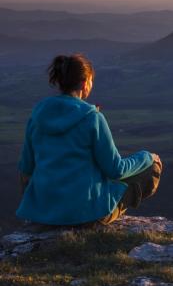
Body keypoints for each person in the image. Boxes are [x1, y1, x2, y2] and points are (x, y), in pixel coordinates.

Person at [16, 53, 162, 227]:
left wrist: (36, 208)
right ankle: (101, 211)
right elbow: (116, 170)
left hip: (44, 215)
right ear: (85, 82)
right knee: (152, 168)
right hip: (87, 215)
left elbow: (26, 170)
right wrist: (147, 156)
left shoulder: (37, 117)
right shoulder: (92, 118)